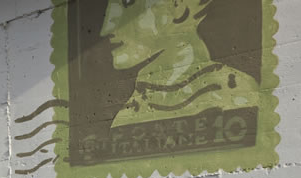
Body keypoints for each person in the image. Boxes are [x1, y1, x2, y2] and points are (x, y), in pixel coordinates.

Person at [99, 0, 260, 128]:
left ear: (179, 7)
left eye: (128, 3)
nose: (106, 30)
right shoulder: (129, 112)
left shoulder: (234, 93)